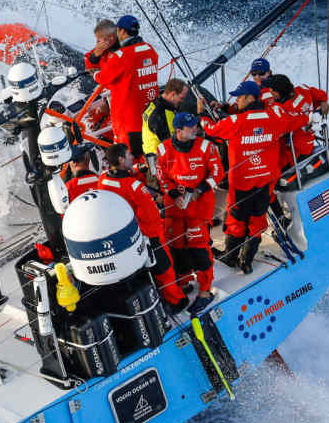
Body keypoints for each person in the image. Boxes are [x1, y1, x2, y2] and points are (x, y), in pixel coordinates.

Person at [197, 80, 309, 274]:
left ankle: (231, 257)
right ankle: (246, 260)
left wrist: (201, 113)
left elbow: (210, 129)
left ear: (250, 98)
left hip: (241, 182)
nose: (237, 101)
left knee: (235, 221)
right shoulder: (274, 117)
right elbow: (299, 119)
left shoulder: (236, 122)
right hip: (264, 180)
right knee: (257, 220)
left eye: (240, 97)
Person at [98, 143, 188, 312]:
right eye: (129, 155)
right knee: (165, 268)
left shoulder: (103, 179)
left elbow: (121, 182)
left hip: (126, 235)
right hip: (149, 235)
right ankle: (177, 301)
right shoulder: (135, 187)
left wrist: (140, 168)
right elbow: (151, 216)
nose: (132, 156)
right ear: (121, 159)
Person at [156, 113, 224, 313]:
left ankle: (205, 292)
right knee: (177, 246)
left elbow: (218, 173)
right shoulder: (162, 149)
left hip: (198, 207)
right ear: (178, 131)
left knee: (199, 249)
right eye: (191, 127)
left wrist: (200, 189)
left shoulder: (206, 147)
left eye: (195, 125)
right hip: (174, 208)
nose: (196, 129)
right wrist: (173, 193)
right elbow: (161, 176)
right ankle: (184, 283)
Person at [93, 15, 159, 158]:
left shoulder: (121, 56)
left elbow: (103, 78)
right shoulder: (150, 49)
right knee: (150, 154)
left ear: (121, 31)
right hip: (151, 115)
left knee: (129, 157)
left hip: (129, 121)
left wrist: (94, 73)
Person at [142, 78, 189, 158]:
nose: (183, 101)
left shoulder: (155, 103)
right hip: (161, 160)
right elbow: (173, 145)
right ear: (173, 94)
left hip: (154, 155)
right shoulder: (160, 115)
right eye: (181, 98)